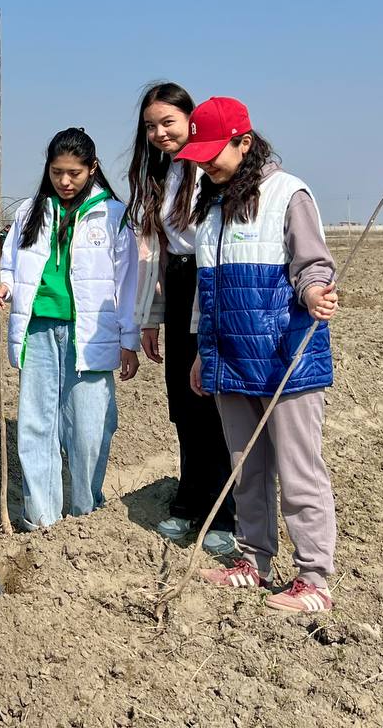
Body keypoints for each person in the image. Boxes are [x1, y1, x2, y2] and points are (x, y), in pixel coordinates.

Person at [177, 97, 339, 613]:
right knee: (245, 469)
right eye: (197, 155)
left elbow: (313, 262)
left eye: (212, 153)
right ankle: (253, 560)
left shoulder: (288, 195)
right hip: (230, 360)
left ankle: (314, 579)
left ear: (244, 143)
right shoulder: (211, 206)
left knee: (298, 472)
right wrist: (205, 353)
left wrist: (314, 291)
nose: (204, 164)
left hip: (283, 358)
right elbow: (209, 290)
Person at [0, 128, 139, 525]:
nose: (65, 181)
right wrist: (4, 285)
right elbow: (10, 262)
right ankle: (42, 519)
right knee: (37, 424)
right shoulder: (29, 211)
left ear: (92, 169)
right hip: (38, 330)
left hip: (89, 336)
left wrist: (129, 338)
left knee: (89, 430)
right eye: (57, 172)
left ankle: (85, 514)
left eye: (74, 172)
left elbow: (127, 283)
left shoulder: (113, 215)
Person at [126, 82, 237, 556]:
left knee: (213, 400)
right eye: (150, 126)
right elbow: (157, 251)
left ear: (191, 120)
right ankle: (189, 499)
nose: (159, 133)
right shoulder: (162, 173)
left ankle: (225, 511)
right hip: (177, 287)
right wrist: (150, 318)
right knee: (183, 404)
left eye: (167, 122)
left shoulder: (210, 172)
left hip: (212, 285)